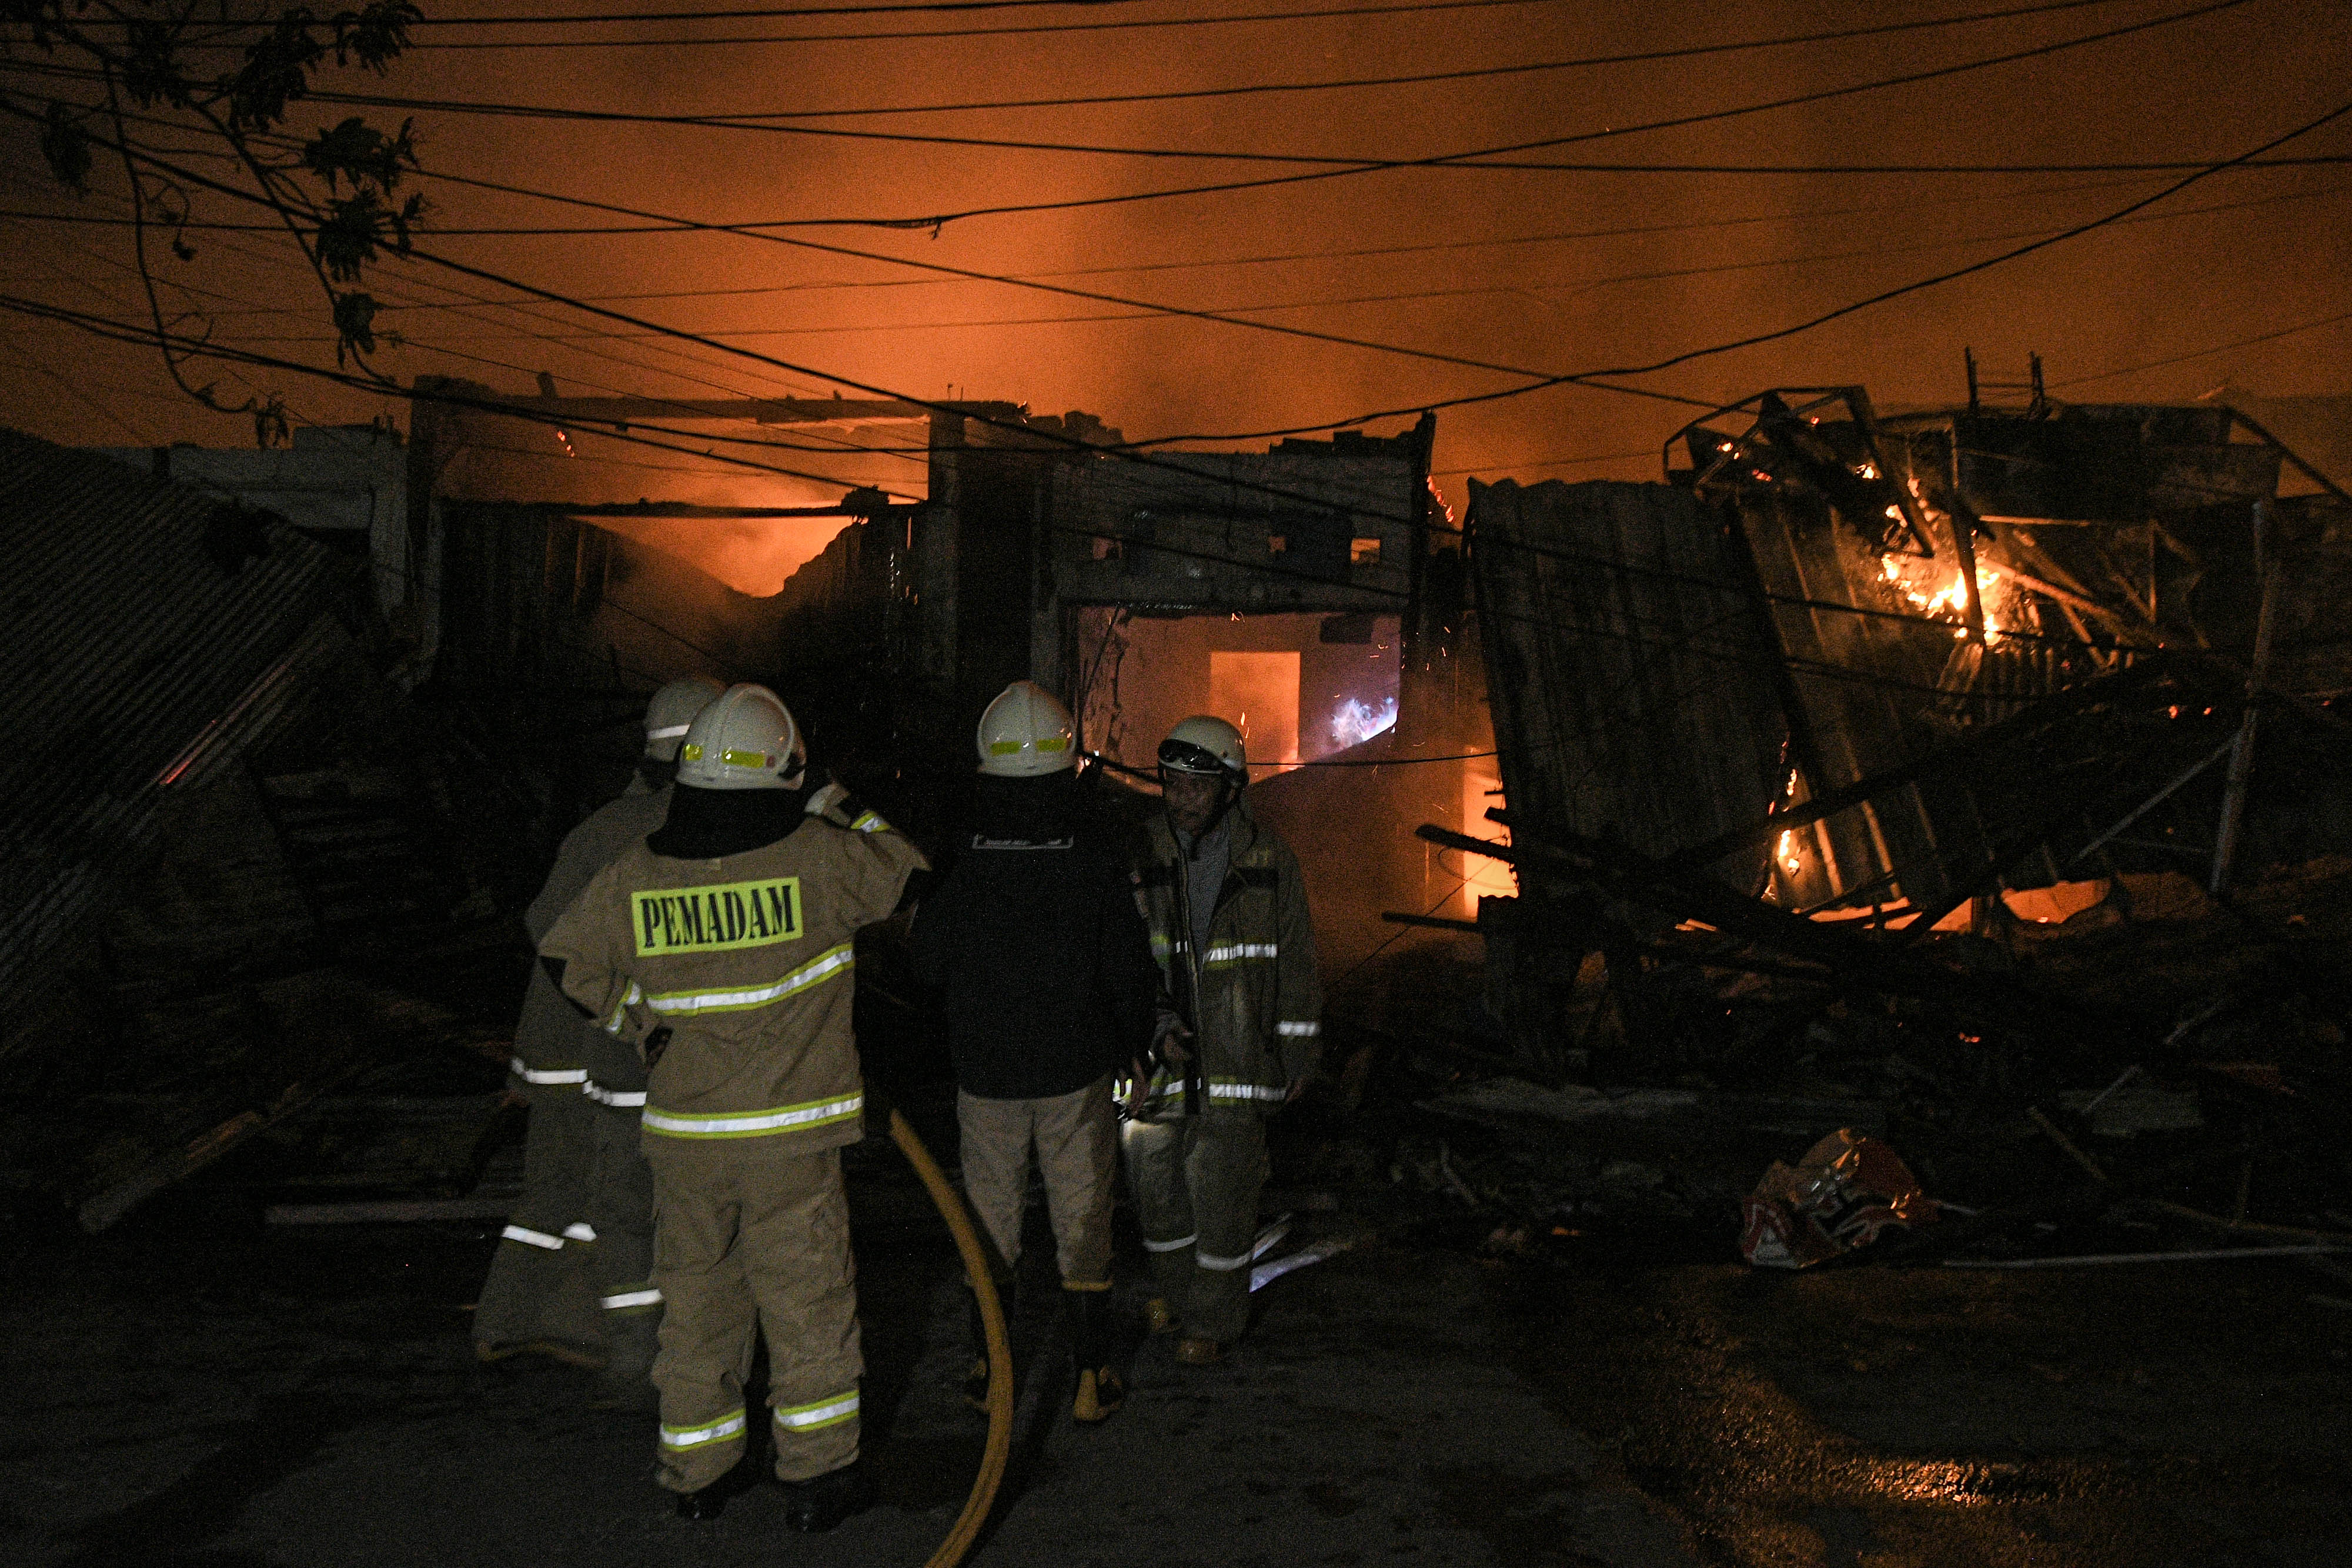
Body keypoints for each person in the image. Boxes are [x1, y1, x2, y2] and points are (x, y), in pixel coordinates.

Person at [541, 683, 926, 1532]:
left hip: (685, 1143)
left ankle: (697, 1473)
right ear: (781, 773)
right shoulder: (818, 858)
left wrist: (639, 1025)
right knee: (807, 1303)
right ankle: (817, 1478)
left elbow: (566, 961)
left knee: (698, 1304)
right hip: (790, 1141)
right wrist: (834, 797)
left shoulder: (636, 871)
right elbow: (908, 870)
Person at [908, 680, 1158, 1425]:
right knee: (1083, 1224)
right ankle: (1091, 1378)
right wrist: (1135, 1047)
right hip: (1074, 1073)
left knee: (990, 1226)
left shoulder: (963, 858)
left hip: (986, 1074)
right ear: (1066, 766)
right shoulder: (1094, 855)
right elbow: (1127, 964)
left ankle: (991, 1373)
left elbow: (925, 963)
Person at [474, 675, 724, 1375]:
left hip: (567, 1045)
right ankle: (593, 1337)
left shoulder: (612, 825)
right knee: (605, 1198)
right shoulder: (651, 831)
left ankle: (521, 1321)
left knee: (564, 1194)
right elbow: (558, 935)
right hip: (598, 1049)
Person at [1121, 716, 1321, 1366]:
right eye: (1172, 783)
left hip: (1239, 1058)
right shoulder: (1141, 853)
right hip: (1159, 1061)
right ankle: (1182, 1299)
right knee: (1156, 1194)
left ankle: (1212, 1321)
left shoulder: (1268, 859)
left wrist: (1298, 1051)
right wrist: (1151, 1028)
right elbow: (1122, 958)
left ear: (1232, 789)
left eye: (1197, 787)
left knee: (1224, 1197)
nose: (1181, 799)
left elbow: (1296, 961)